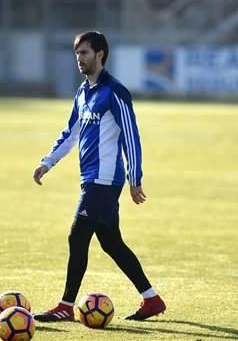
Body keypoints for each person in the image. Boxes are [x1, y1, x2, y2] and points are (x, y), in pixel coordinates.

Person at [32, 31, 166, 322]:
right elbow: (71, 133)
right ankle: (151, 299)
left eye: (85, 53)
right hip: (91, 178)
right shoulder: (83, 92)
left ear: (100, 55)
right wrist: (47, 162)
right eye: (77, 53)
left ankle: (65, 307)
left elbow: (131, 135)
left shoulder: (114, 91)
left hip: (104, 180)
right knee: (110, 242)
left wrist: (135, 178)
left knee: (77, 235)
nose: (79, 59)